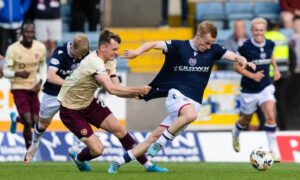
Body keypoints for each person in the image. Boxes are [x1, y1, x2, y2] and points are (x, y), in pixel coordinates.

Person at [108, 21, 256, 173]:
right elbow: (153, 44)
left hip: (191, 104)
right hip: (176, 96)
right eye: (206, 43)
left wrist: (244, 61)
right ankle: (163, 142)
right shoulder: (179, 46)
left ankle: (118, 162)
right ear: (198, 36)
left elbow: (235, 57)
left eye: (212, 43)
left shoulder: (214, 50)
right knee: (191, 114)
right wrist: (137, 52)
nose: (209, 47)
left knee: (152, 138)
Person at [57, 30, 168, 172]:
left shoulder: (110, 61)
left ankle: (148, 165)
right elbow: (111, 89)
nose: (116, 53)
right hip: (71, 110)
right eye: (114, 49)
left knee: (120, 130)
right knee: (97, 150)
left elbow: (118, 88)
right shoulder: (93, 62)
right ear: (103, 47)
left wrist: (139, 95)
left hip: (89, 103)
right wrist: (139, 90)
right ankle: (78, 158)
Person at [23, 33, 90, 163]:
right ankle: (34, 144)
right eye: (79, 54)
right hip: (53, 93)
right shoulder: (60, 51)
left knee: (80, 117)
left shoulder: (85, 53)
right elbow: (51, 76)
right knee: (43, 124)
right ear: (73, 48)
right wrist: (69, 84)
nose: (81, 57)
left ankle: (75, 149)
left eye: (83, 54)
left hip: (72, 94)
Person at [231, 18, 281, 161]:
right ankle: (235, 133)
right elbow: (236, 67)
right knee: (246, 120)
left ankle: (272, 151)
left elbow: (271, 56)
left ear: (265, 31)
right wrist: (252, 75)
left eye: (261, 30)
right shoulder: (245, 47)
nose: (259, 33)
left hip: (266, 86)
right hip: (249, 89)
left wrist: (275, 69)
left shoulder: (270, 43)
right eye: (256, 30)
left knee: (270, 114)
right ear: (252, 31)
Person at [3, 21, 47, 150]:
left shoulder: (40, 47)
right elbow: (5, 71)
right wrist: (18, 73)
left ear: (34, 33)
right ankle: (29, 151)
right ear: (22, 33)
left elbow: (43, 65)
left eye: (31, 32)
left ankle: (16, 119)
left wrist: (40, 82)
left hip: (33, 87)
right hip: (18, 87)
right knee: (27, 121)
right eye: (26, 32)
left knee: (35, 123)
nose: (29, 34)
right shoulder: (12, 49)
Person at [265, 20, 289, 130]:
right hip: (283, 73)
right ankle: (283, 127)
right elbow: (291, 55)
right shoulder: (283, 36)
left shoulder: (265, 37)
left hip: (270, 74)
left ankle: (271, 126)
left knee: (268, 101)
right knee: (281, 101)